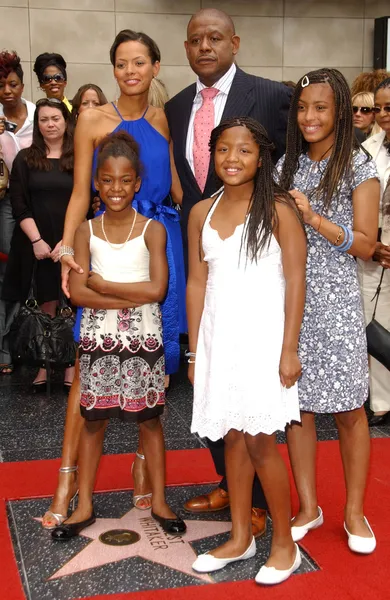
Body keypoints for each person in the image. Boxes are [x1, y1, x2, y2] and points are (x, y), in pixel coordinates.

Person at [41, 30, 186, 529]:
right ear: (112, 68)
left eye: (140, 62)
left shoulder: (164, 118)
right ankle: (68, 484)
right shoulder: (92, 120)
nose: (130, 71)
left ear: (155, 66)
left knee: (155, 370)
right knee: (89, 376)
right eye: (122, 63)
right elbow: (81, 193)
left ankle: (146, 478)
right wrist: (66, 253)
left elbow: (176, 189)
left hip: (158, 243)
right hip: (104, 248)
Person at [165, 7, 292, 531]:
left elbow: (289, 167)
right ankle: (230, 488)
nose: (205, 46)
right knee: (215, 388)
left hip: (260, 256)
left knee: (256, 411)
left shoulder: (271, 96)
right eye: (195, 40)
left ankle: (266, 504)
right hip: (207, 252)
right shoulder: (174, 107)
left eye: (215, 37)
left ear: (235, 42)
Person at [188, 117, 306, 585]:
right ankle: (241, 536)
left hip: (263, 340)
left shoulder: (278, 208)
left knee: (259, 441)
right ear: (211, 155)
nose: (231, 159)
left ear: (261, 158)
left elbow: (296, 278)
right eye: (222, 150)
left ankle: (285, 544)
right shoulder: (201, 212)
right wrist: (196, 352)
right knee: (232, 438)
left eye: (243, 151)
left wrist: (290, 348)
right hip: (220, 339)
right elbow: (198, 283)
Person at [278, 68, 379, 554]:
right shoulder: (286, 167)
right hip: (289, 301)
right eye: (302, 108)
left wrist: (314, 218)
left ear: (339, 109)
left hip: (337, 304)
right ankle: (308, 506)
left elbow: (365, 244)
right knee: (297, 409)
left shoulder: (360, 167)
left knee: (347, 411)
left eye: (320, 107)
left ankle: (355, 512)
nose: (309, 117)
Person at [3, 98, 75, 390]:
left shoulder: (78, 156)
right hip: (38, 243)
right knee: (45, 303)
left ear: (66, 122)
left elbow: (84, 201)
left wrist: (67, 242)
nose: (50, 125)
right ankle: (43, 366)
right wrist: (37, 240)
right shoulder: (25, 158)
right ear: (38, 124)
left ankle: (71, 367)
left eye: (55, 118)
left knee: (72, 305)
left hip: (70, 239)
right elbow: (18, 204)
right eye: (44, 120)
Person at [0, 50, 35, 375]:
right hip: (7, 201)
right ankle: (7, 345)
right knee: (10, 269)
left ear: (22, 85)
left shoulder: (39, 114)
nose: (7, 90)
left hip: (36, 198)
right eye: (1, 85)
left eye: (12, 84)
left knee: (32, 271)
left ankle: (34, 339)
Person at [358, 78, 390, 426]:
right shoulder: (369, 147)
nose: (382, 114)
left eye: (388, 107)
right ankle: (382, 402)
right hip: (375, 251)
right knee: (376, 324)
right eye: (377, 107)